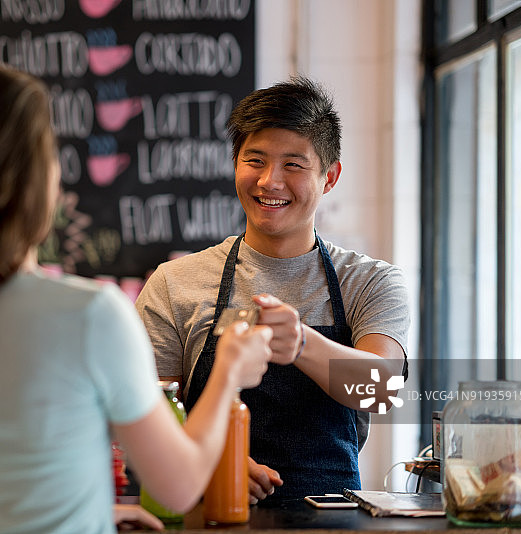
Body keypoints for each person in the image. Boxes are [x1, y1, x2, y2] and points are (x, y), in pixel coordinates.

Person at [0, 62, 273, 534]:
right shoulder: (91, 315)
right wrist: (230, 369)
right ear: (31, 182)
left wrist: (71, 503)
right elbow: (179, 486)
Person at [135, 76, 410, 503]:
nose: (269, 181)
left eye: (293, 165)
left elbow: (381, 390)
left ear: (330, 177)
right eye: (255, 160)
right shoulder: (174, 283)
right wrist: (215, 457)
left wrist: (300, 342)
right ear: (235, 165)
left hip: (332, 522)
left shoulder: (369, 281)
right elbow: (148, 412)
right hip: (207, 511)